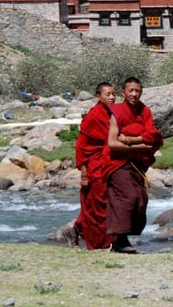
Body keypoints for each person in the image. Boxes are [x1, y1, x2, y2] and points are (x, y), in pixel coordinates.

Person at [106, 77, 163, 254]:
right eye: (130, 90)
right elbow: (112, 143)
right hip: (118, 163)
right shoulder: (116, 111)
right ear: (123, 92)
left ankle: (123, 237)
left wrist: (130, 139)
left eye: (137, 91)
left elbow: (152, 136)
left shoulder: (145, 111)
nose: (134, 94)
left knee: (141, 199)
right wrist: (141, 145)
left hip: (137, 164)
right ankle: (119, 241)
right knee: (128, 197)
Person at [65, 82, 117, 250]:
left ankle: (76, 230)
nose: (112, 97)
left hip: (110, 164)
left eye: (114, 94)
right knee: (98, 204)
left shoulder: (113, 113)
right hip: (95, 166)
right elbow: (82, 146)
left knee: (106, 203)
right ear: (98, 96)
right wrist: (84, 173)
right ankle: (101, 243)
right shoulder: (93, 116)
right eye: (108, 94)